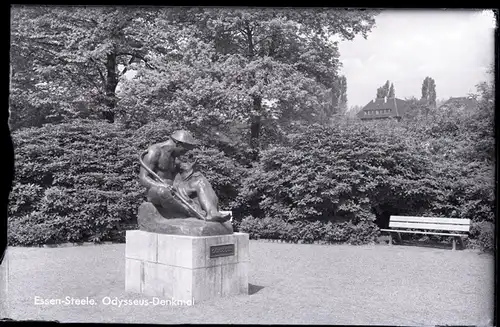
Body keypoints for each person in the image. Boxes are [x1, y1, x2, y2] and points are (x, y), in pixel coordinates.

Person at [139, 130, 231, 223]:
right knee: (163, 192)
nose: (184, 153)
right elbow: (143, 178)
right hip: (156, 190)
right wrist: (161, 185)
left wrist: (191, 168)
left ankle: (212, 213)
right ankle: (191, 213)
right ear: (178, 144)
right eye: (184, 150)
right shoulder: (154, 152)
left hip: (175, 189)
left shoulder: (174, 156)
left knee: (200, 180)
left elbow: (183, 170)